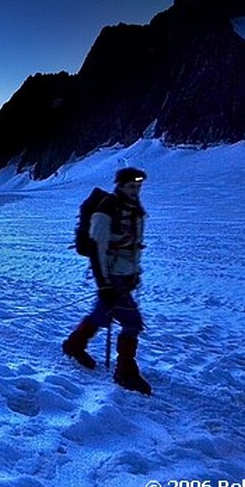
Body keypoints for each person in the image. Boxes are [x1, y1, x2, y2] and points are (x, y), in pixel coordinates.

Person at [62, 167, 152, 396]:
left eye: (138, 187)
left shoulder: (133, 210)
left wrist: (133, 273)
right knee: (132, 323)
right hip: (112, 276)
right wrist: (104, 284)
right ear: (120, 186)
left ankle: (74, 345)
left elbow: (133, 246)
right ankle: (125, 372)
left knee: (103, 314)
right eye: (131, 187)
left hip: (124, 275)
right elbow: (97, 249)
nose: (135, 191)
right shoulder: (106, 210)